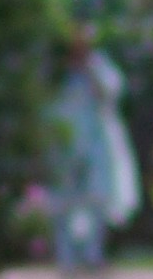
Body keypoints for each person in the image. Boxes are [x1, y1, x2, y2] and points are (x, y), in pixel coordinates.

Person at [46, 20, 141, 266]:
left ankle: (93, 254)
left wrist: (87, 66)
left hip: (95, 141)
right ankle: (66, 256)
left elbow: (111, 93)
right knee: (63, 199)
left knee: (96, 197)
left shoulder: (98, 65)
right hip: (63, 141)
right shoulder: (56, 70)